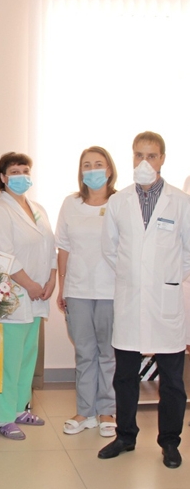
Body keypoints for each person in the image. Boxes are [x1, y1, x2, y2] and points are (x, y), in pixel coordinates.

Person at [99, 131, 190, 469]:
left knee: (173, 380)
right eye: (139, 155)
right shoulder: (118, 201)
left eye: (151, 155)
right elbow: (110, 249)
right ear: (132, 157)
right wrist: (134, 277)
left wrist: (165, 278)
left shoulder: (181, 201)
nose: (144, 162)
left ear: (162, 159)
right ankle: (125, 435)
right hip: (130, 299)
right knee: (125, 376)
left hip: (166, 301)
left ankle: (170, 442)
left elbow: (188, 251)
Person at [0, 152, 55, 440]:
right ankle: (3, 417)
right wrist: (31, 285)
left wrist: (51, 280)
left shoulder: (38, 209)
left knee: (26, 357)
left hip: (38, 296)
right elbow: (4, 254)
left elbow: (50, 247)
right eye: (14, 171)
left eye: (25, 170)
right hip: (11, 297)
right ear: (2, 177)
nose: (21, 176)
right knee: (7, 361)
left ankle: (20, 408)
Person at [55, 147, 117, 437]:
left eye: (98, 164)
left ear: (109, 169)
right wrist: (62, 286)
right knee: (84, 353)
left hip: (111, 290)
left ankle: (107, 410)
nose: (92, 170)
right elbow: (64, 246)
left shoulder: (120, 203)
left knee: (108, 353)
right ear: (81, 171)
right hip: (78, 290)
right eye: (87, 165)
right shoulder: (71, 203)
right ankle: (85, 411)